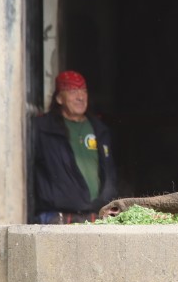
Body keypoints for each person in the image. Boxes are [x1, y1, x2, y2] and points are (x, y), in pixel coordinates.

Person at [31, 70, 118, 224]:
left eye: (83, 91)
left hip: (96, 217)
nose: (80, 97)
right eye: (72, 91)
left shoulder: (100, 129)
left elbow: (109, 173)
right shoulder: (43, 129)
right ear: (59, 98)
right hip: (57, 219)